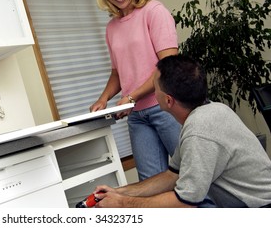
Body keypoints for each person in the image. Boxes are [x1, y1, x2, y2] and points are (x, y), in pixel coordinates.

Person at [93, 55, 271, 208]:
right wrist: (120, 192)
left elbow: (184, 203)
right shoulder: (213, 109)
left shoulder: (199, 131)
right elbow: (172, 175)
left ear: (168, 100)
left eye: (155, 89)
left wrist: (123, 204)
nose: (153, 93)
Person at [90, 0, 181, 181]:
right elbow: (117, 72)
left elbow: (167, 66)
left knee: (193, 174)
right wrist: (103, 100)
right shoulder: (111, 28)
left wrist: (131, 96)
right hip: (137, 116)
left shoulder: (154, 11)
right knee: (149, 183)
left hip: (168, 107)